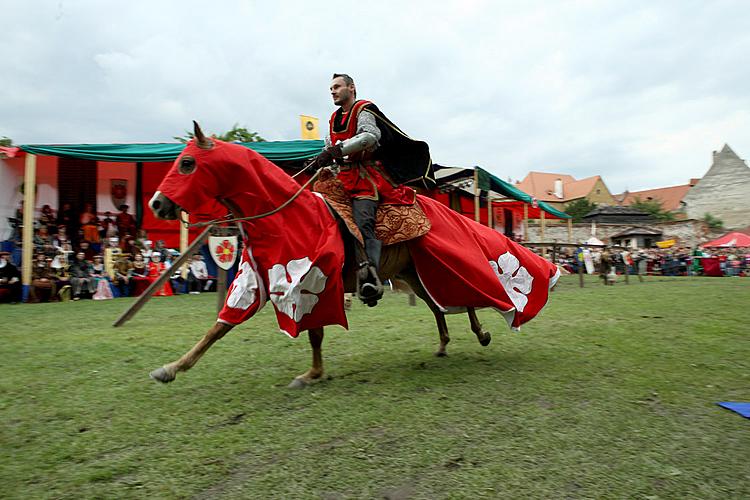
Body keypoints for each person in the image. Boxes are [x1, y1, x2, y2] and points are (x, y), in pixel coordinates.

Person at [307, 73, 432, 305]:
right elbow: (330, 147)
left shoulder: (363, 109)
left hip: (366, 179)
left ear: (351, 88)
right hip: (342, 180)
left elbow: (370, 136)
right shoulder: (333, 119)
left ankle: (370, 275)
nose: (333, 91)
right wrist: (322, 158)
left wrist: (339, 150)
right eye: (330, 89)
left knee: (363, 219)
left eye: (337, 87)